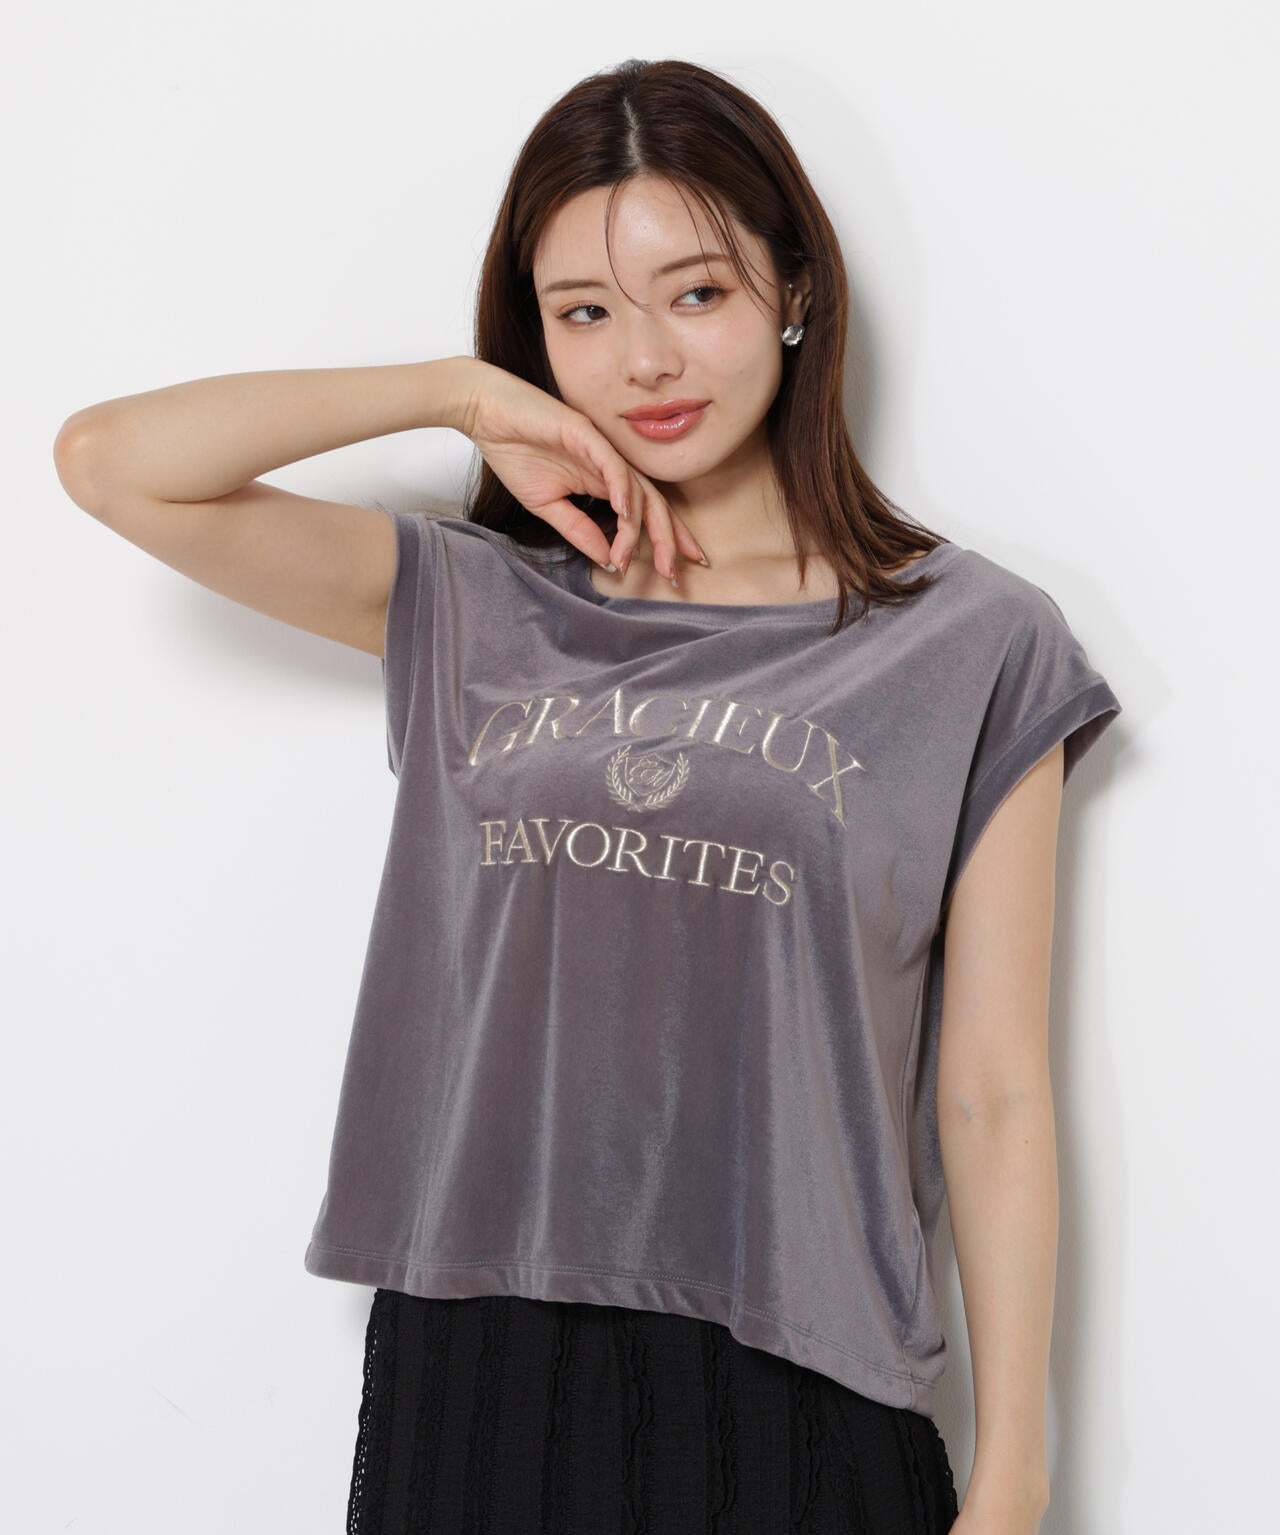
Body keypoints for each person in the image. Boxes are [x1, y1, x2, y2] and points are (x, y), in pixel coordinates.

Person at [53, 56, 1121, 1535]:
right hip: (481, 1357)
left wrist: (1014, 1469)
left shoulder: (970, 640)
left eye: (698, 293)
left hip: (803, 1373)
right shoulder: (477, 601)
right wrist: (454, 394)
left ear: (796, 290)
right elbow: (111, 464)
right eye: (584, 314)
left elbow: (993, 1089)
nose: (647, 363)